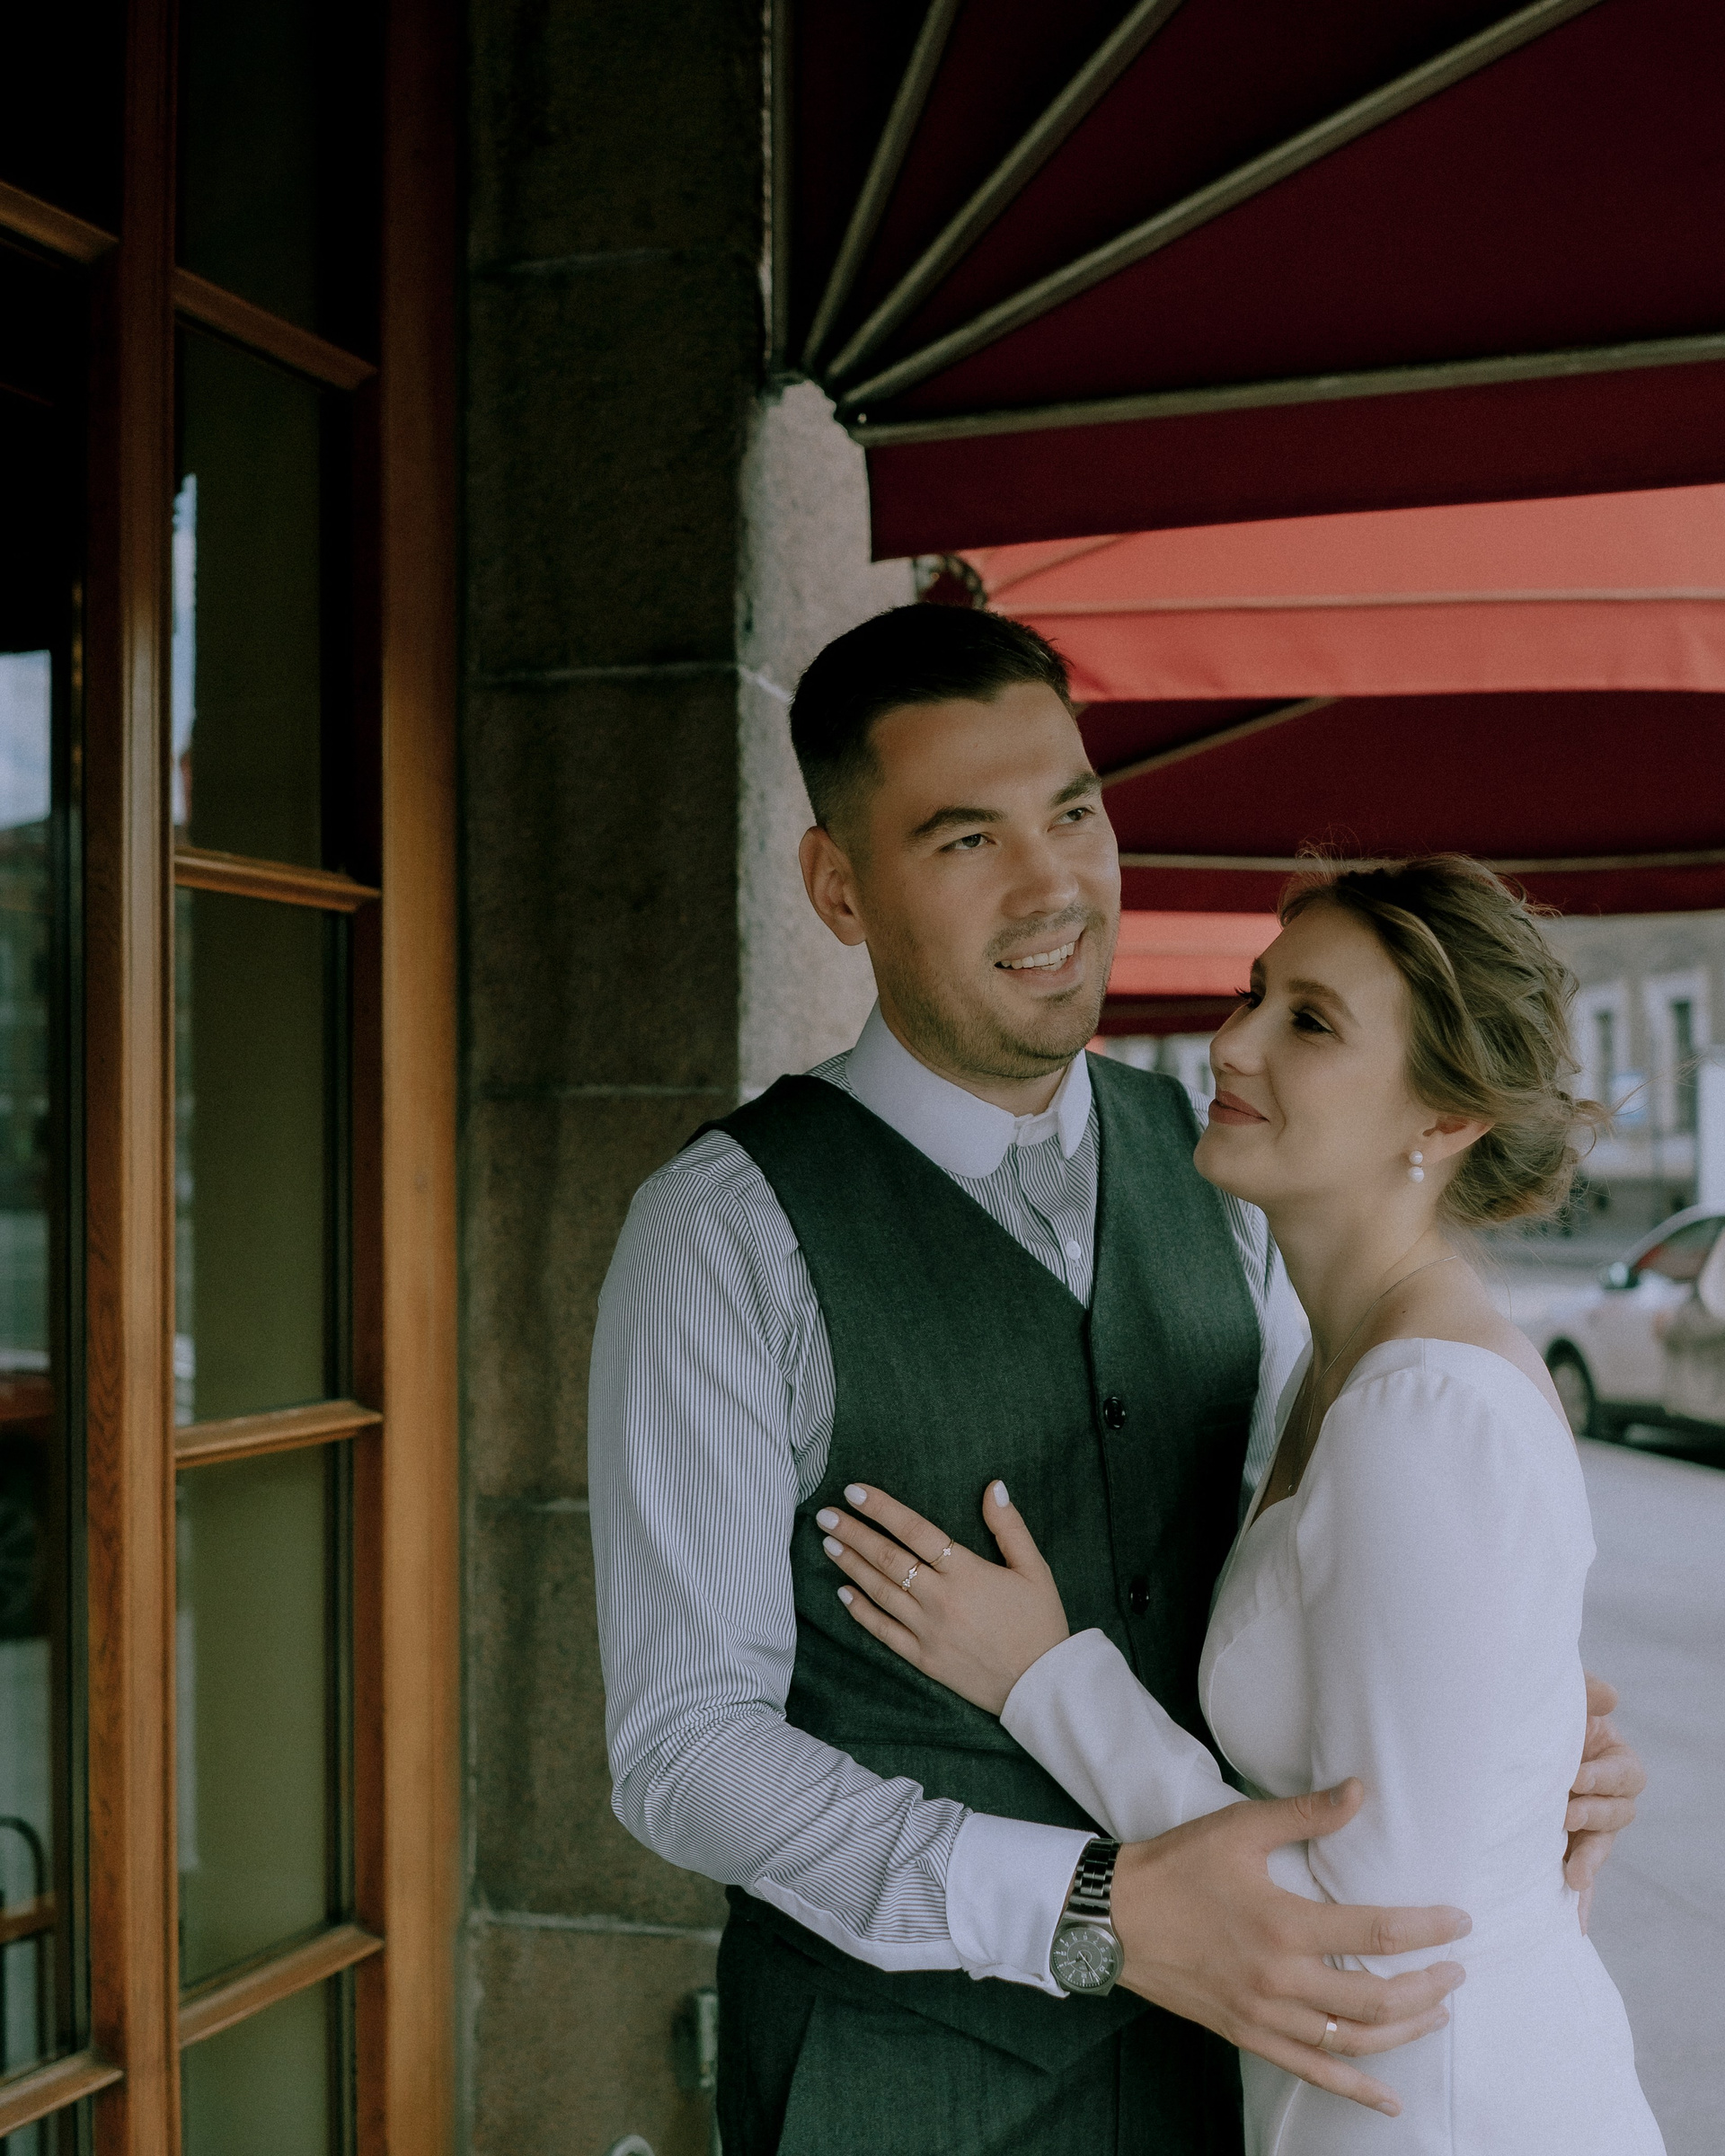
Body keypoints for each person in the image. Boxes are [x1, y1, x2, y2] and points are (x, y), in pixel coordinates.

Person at [588, 606, 1645, 2154]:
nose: (1054, 886)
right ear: (838, 888)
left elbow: (1335, 1581)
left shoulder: (1236, 1177)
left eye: (1075, 812)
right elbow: (684, 1746)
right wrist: (1085, 1909)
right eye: (968, 839)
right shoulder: (721, 1235)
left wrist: (1509, 1740)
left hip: (1243, 2093)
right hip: (899, 2093)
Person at [818, 854, 1665, 2152]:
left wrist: (1048, 1681)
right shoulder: (1332, 1363)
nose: (1235, 1042)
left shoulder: (1418, 1411)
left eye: (1311, 1024)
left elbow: (1368, 1939)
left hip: (1440, 2110)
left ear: (1444, 1120)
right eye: (1255, 994)